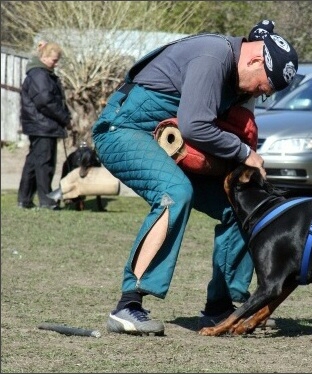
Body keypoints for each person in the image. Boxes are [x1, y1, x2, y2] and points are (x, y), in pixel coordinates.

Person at [92, 19, 298, 336]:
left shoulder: (239, 74)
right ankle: (128, 305)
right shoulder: (214, 57)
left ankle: (222, 308)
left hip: (168, 138)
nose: (258, 93)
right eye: (262, 86)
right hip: (124, 129)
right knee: (175, 192)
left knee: (238, 205)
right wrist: (244, 153)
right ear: (256, 59)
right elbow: (195, 125)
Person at [17, 41, 72, 210]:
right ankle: (46, 200)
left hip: (40, 124)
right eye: (53, 60)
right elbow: (46, 101)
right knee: (44, 164)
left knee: (34, 162)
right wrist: (65, 118)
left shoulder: (40, 73)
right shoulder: (39, 75)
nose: (55, 64)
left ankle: (24, 200)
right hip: (43, 125)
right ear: (44, 57)